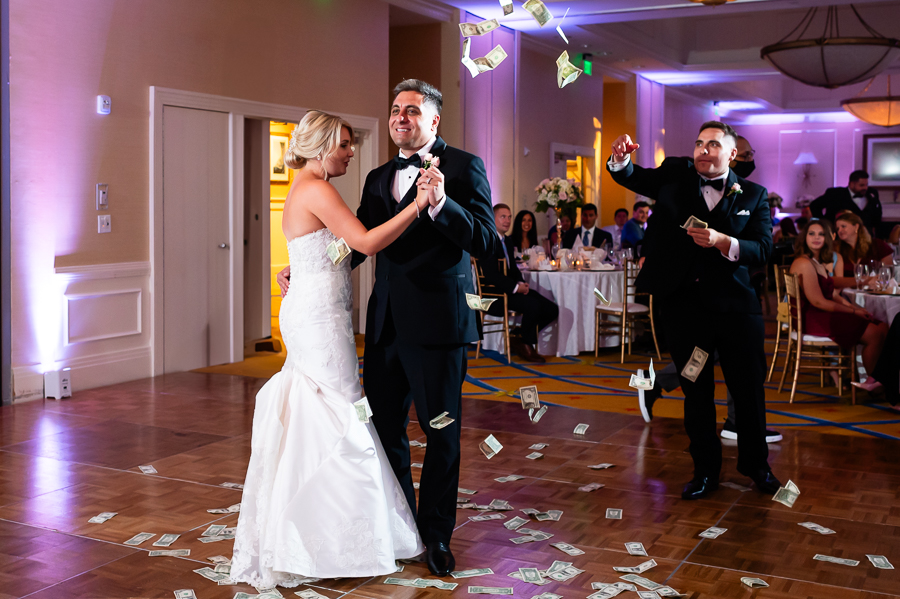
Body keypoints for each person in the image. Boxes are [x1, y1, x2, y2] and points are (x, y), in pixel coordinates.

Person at [274, 80, 498, 577]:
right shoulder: (377, 176)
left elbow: (485, 240)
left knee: (441, 435)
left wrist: (441, 204)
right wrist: (307, 266)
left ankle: (437, 536)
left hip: (440, 327)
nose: (401, 118)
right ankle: (402, 531)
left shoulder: (464, 168)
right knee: (382, 430)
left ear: (433, 121)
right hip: (384, 328)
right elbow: (354, 240)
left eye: (413, 111)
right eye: (396, 110)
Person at [231, 111, 428, 588]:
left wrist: (293, 272)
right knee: (340, 412)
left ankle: (315, 529)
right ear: (321, 146)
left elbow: (327, 250)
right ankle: (334, 537)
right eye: (343, 144)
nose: (350, 151)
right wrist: (418, 205)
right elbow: (362, 241)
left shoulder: (305, 187)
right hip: (318, 319)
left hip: (315, 309)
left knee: (327, 411)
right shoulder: (317, 188)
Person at [608, 121, 781, 500]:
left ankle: (757, 466)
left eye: (713, 144)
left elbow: (764, 249)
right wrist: (619, 161)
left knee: (748, 391)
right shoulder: (675, 176)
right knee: (696, 391)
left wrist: (724, 241)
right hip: (685, 311)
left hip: (737, 311)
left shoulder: (753, 195)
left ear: (732, 154)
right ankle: (705, 471)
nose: (703, 149)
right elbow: (637, 178)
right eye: (699, 142)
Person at [789, 219, 887, 390]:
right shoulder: (803, 263)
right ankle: (878, 385)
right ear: (804, 238)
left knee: (883, 326)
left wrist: (855, 308)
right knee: (875, 334)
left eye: (821, 234)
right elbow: (818, 301)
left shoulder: (817, 261)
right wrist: (853, 313)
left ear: (828, 238)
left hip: (822, 313)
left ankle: (879, 380)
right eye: (812, 234)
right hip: (813, 318)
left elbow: (833, 295)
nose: (816, 238)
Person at [481, 204, 559, 363]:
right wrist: (516, 288)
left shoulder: (507, 241)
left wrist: (522, 284)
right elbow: (491, 276)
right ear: (493, 218)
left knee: (551, 309)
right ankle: (526, 343)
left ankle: (519, 335)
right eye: (503, 217)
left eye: (509, 217)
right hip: (494, 295)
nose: (507, 220)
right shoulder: (488, 241)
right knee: (533, 306)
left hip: (509, 290)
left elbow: (513, 270)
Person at [833, 212, 893, 288]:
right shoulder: (836, 249)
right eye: (838, 228)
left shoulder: (877, 245)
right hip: (846, 292)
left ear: (856, 227)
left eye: (843, 226)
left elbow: (888, 272)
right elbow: (832, 279)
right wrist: (864, 280)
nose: (840, 230)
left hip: (875, 290)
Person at [810, 170, 882, 233]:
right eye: (861, 185)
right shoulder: (834, 194)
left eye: (866, 185)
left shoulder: (872, 193)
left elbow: (877, 213)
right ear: (851, 184)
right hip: (839, 235)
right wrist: (825, 223)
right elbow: (814, 205)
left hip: (865, 236)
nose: (865, 188)